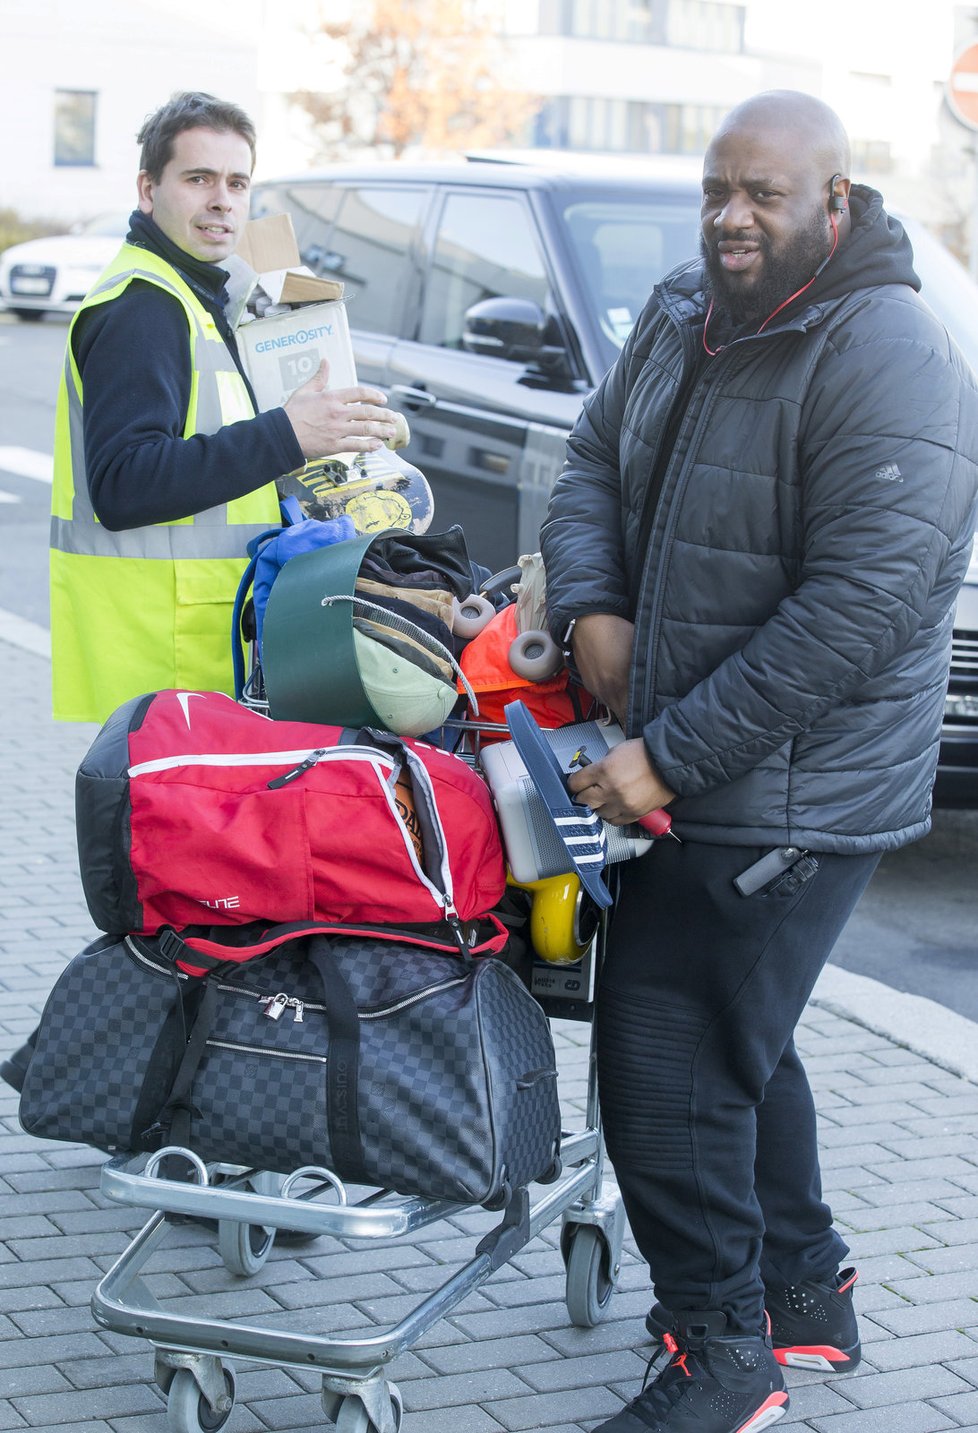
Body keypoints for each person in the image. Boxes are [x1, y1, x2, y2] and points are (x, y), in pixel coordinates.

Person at [541, 90, 978, 1433]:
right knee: (741, 1039)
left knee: (662, 1065)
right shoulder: (685, 309)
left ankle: (724, 1362)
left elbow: (858, 613)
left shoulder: (888, 352)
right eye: (716, 190)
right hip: (684, 766)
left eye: (765, 195)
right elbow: (589, 466)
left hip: (786, 793)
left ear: (832, 205)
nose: (732, 216)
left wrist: (665, 756)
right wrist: (590, 608)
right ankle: (802, 1297)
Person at [50, 90, 398, 724]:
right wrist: (288, 435)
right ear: (148, 189)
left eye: (238, 183)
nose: (222, 200)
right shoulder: (142, 307)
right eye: (199, 178)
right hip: (167, 665)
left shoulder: (202, 293)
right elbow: (124, 484)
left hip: (193, 655)